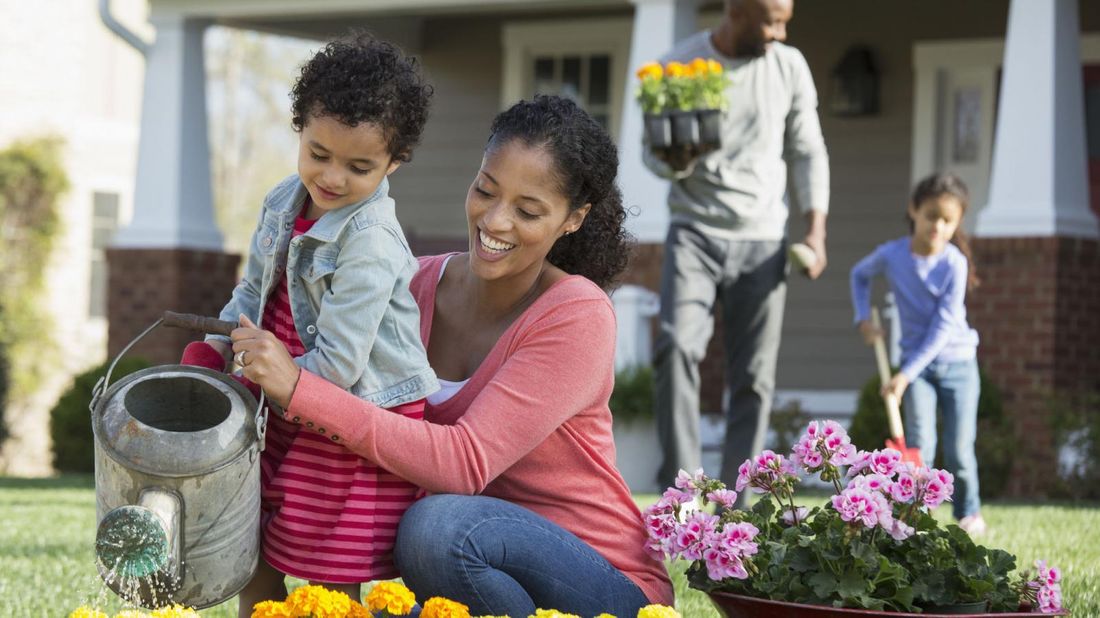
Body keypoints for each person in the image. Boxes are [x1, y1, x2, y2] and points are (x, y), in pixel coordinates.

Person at [227, 95, 675, 617]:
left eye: (528, 211)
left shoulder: (576, 315)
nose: (496, 221)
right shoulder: (409, 282)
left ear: (573, 219)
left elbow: (463, 464)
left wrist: (300, 390)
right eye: (485, 190)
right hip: (482, 573)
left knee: (436, 530)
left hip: (604, 583)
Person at [178, 32, 439, 614]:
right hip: (284, 389)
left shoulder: (370, 240)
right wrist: (218, 345)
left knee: (326, 567)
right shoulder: (282, 201)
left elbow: (342, 366)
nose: (333, 178)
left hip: (350, 417)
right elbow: (254, 290)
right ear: (300, 128)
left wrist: (257, 379)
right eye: (319, 154)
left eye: (360, 166)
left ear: (394, 162)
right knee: (258, 545)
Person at [643, 0, 830, 501]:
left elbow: (807, 149)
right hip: (694, 230)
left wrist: (815, 229)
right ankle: (682, 493)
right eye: (771, 21)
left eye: (785, 21)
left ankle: (736, 501)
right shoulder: (677, 67)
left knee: (753, 376)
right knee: (677, 347)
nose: (779, 33)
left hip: (764, 237)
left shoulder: (788, 66)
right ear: (737, 9)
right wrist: (675, 159)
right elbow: (652, 156)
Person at [849, 171, 985, 535]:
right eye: (931, 216)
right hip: (917, 370)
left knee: (959, 449)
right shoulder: (892, 256)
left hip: (957, 363)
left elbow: (943, 328)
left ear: (957, 223)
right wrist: (863, 318)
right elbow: (858, 275)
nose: (937, 227)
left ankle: (969, 513)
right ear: (914, 210)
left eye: (947, 220)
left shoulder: (954, 264)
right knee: (920, 444)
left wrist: (904, 375)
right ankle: (916, 516)